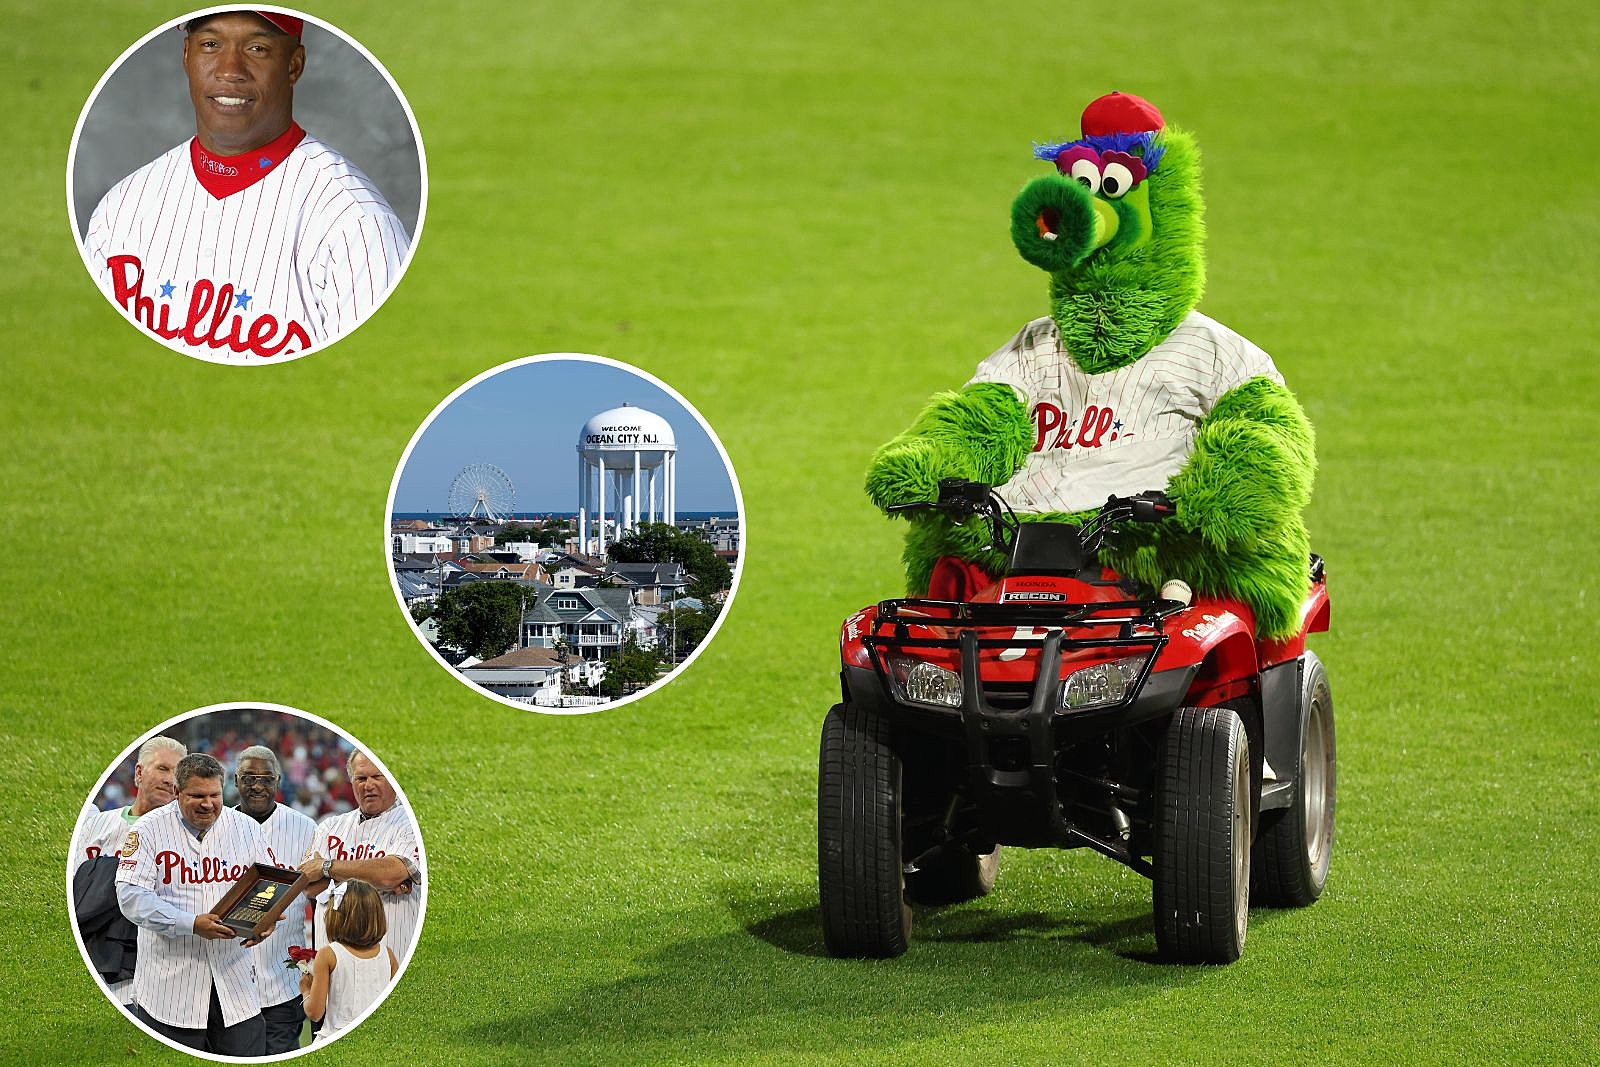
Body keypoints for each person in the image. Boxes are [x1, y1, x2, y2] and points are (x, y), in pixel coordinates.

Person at [82, 10, 410, 361]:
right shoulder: (122, 208)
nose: (229, 70)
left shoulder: (356, 222)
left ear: (294, 65)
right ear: (186, 55)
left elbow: (366, 377)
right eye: (210, 44)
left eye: (256, 48)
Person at [115, 753, 278, 1055]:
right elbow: (131, 896)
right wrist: (190, 924)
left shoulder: (246, 828)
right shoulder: (147, 829)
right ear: (177, 793)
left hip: (236, 986)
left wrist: (265, 919)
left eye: (214, 795)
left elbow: (268, 885)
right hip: (170, 990)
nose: (207, 804)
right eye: (197, 796)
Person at [71, 735, 188, 1009]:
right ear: (138, 773)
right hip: (92, 957)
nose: (170, 780)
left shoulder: (188, 839)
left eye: (177, 774)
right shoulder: (96, 824)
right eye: (162, 769)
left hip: (156, 972)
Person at [298, 751, 423, 962]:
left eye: (377, 777)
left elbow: (389, 875)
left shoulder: (410, 822)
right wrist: (375, 878)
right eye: (361, 778)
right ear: (351, 781)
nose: (368, 785)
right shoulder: (330, 825)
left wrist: (327, 868)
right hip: (331, 964)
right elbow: (309, 885)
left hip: (390, 954)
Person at [233, 745, 315, 1054]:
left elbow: (318, 897)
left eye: (266, 779)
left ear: (278, 781)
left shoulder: (305, 828)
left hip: (283, 978)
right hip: (230, 980)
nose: (257, 786)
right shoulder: (218, 827)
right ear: (235, 780)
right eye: (249, 778)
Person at [299, 879, 398, 1042]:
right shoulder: (388, 955)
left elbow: (315, 1013)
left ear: (336, 916)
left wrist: (305, 989)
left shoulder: (328, 954)